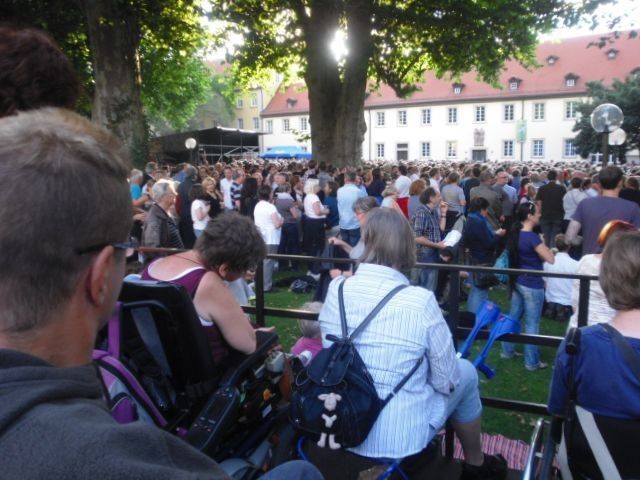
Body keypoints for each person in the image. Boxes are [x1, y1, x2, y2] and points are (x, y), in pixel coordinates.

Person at [0, 108, 321, 480]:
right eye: (124, 249)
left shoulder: (157, 269)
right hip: (205, 392)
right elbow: (248, 343)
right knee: (301, 473)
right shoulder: (128, 460)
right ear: (100, 277)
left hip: (161, 388)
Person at [319, 208, 507, 479]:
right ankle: (476, 465)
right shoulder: (420, 301)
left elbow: (331, 352)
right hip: (397, 434)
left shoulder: (337, 288)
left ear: (365, 241)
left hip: (338, 417)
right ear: (406, 245)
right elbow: (446, 380)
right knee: (465, 371)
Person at [548, 231, 640, 461]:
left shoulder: (579, 345)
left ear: (608, 279)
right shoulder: (580, 344)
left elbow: (558, 410)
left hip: (589, 464)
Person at [142, 213, 267, 363]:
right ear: (224, 269)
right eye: (245, 269)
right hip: (210, 372)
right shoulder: (207, 282)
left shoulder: (154, 265)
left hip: (158, 368)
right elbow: (248, 344)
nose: (245, 273)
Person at [501, 202, 555, 371]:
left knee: (513, 317)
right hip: (532, 283)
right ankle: (532, 362)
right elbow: (551, 259)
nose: (540, 215)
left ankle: (507, 350)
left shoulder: (515, 234)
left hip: (518, 281)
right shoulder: (532, 238)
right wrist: (543, 243)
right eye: (537, 213)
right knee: (532, 323)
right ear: (530, 216)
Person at [568, 219, 637, 330]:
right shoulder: (627, 267)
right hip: (612, 329)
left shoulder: (587, 260)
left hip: (580, 325)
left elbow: (575, 299)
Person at [566, 166, 640, 255]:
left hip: (590, 259)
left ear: (600, 183)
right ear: (621, 182)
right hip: (619, 260)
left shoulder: (585, 204)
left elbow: (569, 238)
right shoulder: (632, 207)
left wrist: (583, 240)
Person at [463, 197, 506, 314]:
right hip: (482, 259)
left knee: (475, 289)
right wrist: (498, 236)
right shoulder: (480, 221)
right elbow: (489, 243)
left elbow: (479, 237)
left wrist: (493, 234)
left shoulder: (470, 218)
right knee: (480, 291)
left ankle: (471, 316)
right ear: (482, 209)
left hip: (474, 256)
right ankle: (475, 318)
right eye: (486, 209)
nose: (487, 212)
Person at [411, 187, 449, 292]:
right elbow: (417, 238)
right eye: (438, 196)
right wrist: (437, 245)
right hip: (425, 253)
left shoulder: (433, 211)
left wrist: (443, 213)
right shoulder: (422, 212)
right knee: (428, 284)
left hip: (432, 251)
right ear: (431, 198)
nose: (441, 198)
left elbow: (440, 229)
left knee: (431, 282)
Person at [142, 179, 184, 260]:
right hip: (168, 264)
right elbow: (152, 248)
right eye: (172, 192)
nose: (176, 194)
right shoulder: (154, 219)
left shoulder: (165, 212)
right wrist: (167, 260)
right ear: (163, 197)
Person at [253, 185, 283, 293]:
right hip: (271, 237)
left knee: (263, 261)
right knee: (268, 262)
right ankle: (266, 285)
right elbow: (277, 224)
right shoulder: (270, 207)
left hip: (261, 236)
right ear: (269, 194)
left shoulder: (258, 205)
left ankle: (261, 282)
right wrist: (282, 220)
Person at [542, 234, 578, 322]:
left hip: (550, 299)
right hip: (567, 301)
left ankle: (553, 309)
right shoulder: (576, 264)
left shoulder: (547, 263)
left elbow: (545, 284)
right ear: (569, 246)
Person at [303, 178, 329, 278]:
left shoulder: (307, 196)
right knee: (318, 247)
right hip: (317, 223)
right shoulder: (314, 197)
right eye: (318, 185)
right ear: (314, 187)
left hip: (310, 222)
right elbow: (318, 212)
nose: (319, 187)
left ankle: (311, 268)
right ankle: (316, 270)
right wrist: (326, 211)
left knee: (311, 247)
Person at [535, 169, 566, 248]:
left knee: (546, 237)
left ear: (548, 178)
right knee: (555, 237)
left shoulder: (542, 188)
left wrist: (539, 213)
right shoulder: (562, 188)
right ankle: (553, 252)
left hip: (545, 215)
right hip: (558, 215)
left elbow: (539, 203)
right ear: (556, 177)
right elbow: (565, 202)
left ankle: (547, 252)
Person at [275, 182, 300, 271]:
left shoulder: (277, 199)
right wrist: (296, 208)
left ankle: (282, 265)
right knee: (293, 245)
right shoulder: (289, 201)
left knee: (282, 245)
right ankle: (294, 266)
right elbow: (295, 215)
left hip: (281, 224)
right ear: (288, 189)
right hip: (290, 224)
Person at [337, 171, 366, 247]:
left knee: (345, 247)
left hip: (343, 223)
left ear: (345, 179)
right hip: (355, 224)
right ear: (355, 180)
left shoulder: (339, 191)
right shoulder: (359, 191)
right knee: (354, 248)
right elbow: (365, 205)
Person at [176, 165, 198, 249]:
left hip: (183, 214)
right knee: (193, 239)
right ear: (194, 175)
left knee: (186, 238)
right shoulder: (195, 186)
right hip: (193, 214)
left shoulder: (180, 185)